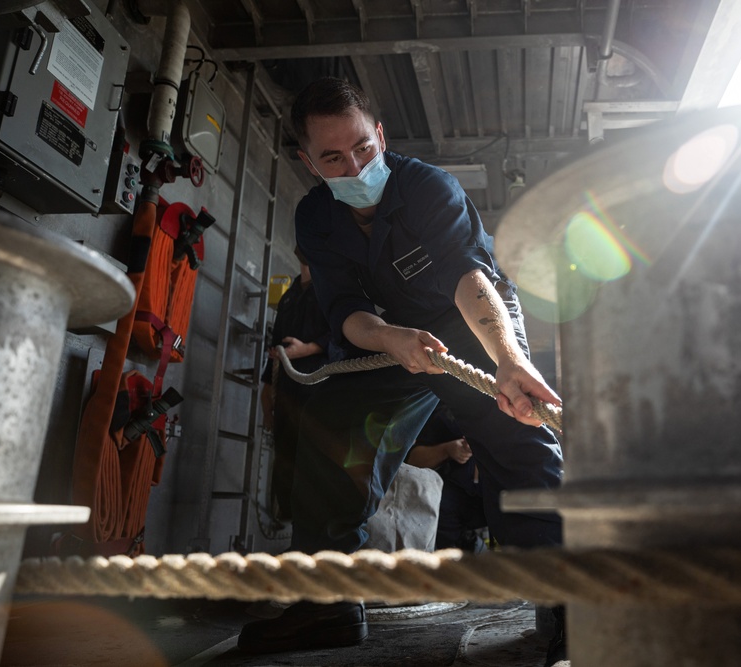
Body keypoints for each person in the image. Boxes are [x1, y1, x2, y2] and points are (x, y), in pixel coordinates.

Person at [237, 77, 566, 666]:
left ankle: (567, 598)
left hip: (473, 321)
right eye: (334, 157)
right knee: (331, 426)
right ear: (308, 161)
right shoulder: (315, 217)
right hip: (392, 337)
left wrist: (510, 362)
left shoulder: (427, 188)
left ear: (380, 136)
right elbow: (345, 311)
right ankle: (327, 601)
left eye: (364, 148)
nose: (355, 164)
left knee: (517, 434)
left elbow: (470, 277)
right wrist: (391, 338)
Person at [260, 246, 342, 522]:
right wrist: (266, 395)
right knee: (284, 454)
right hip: (285, 389)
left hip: (318, 389)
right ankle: (288, 516)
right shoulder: (289, 297)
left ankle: (313, 525)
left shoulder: (332, 291)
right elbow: (277, 346)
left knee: (313, 458)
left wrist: (307, 348)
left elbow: (344, 337)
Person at [405, 402, 489, 552]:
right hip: (444, 516)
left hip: (494, 503)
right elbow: (412, 462)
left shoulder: (507, 412)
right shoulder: (442, 414)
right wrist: (447, 449)